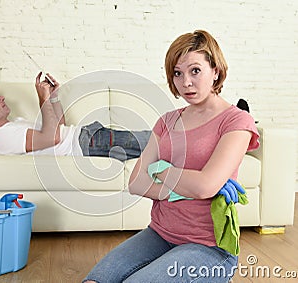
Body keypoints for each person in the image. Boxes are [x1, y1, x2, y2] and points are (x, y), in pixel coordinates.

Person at [83, 30, 259, 282]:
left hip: (209, 247)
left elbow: (204, 186)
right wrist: (191, 185)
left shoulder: (237, 121)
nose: (185, 81)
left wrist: (161, 170)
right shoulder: (167, 121)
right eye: (177, 73)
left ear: (216, 71)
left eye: (195, 70)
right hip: (159, 234)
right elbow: (136, 183)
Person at [0, 72, 151, 161]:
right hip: (86, 143)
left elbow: (59, 126)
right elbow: (53, 137)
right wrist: (42, 99)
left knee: (154, 143)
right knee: (154, 142)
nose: (0, 98)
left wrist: (53, 97)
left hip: (87, 137)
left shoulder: (13, 124)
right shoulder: (1, 137)